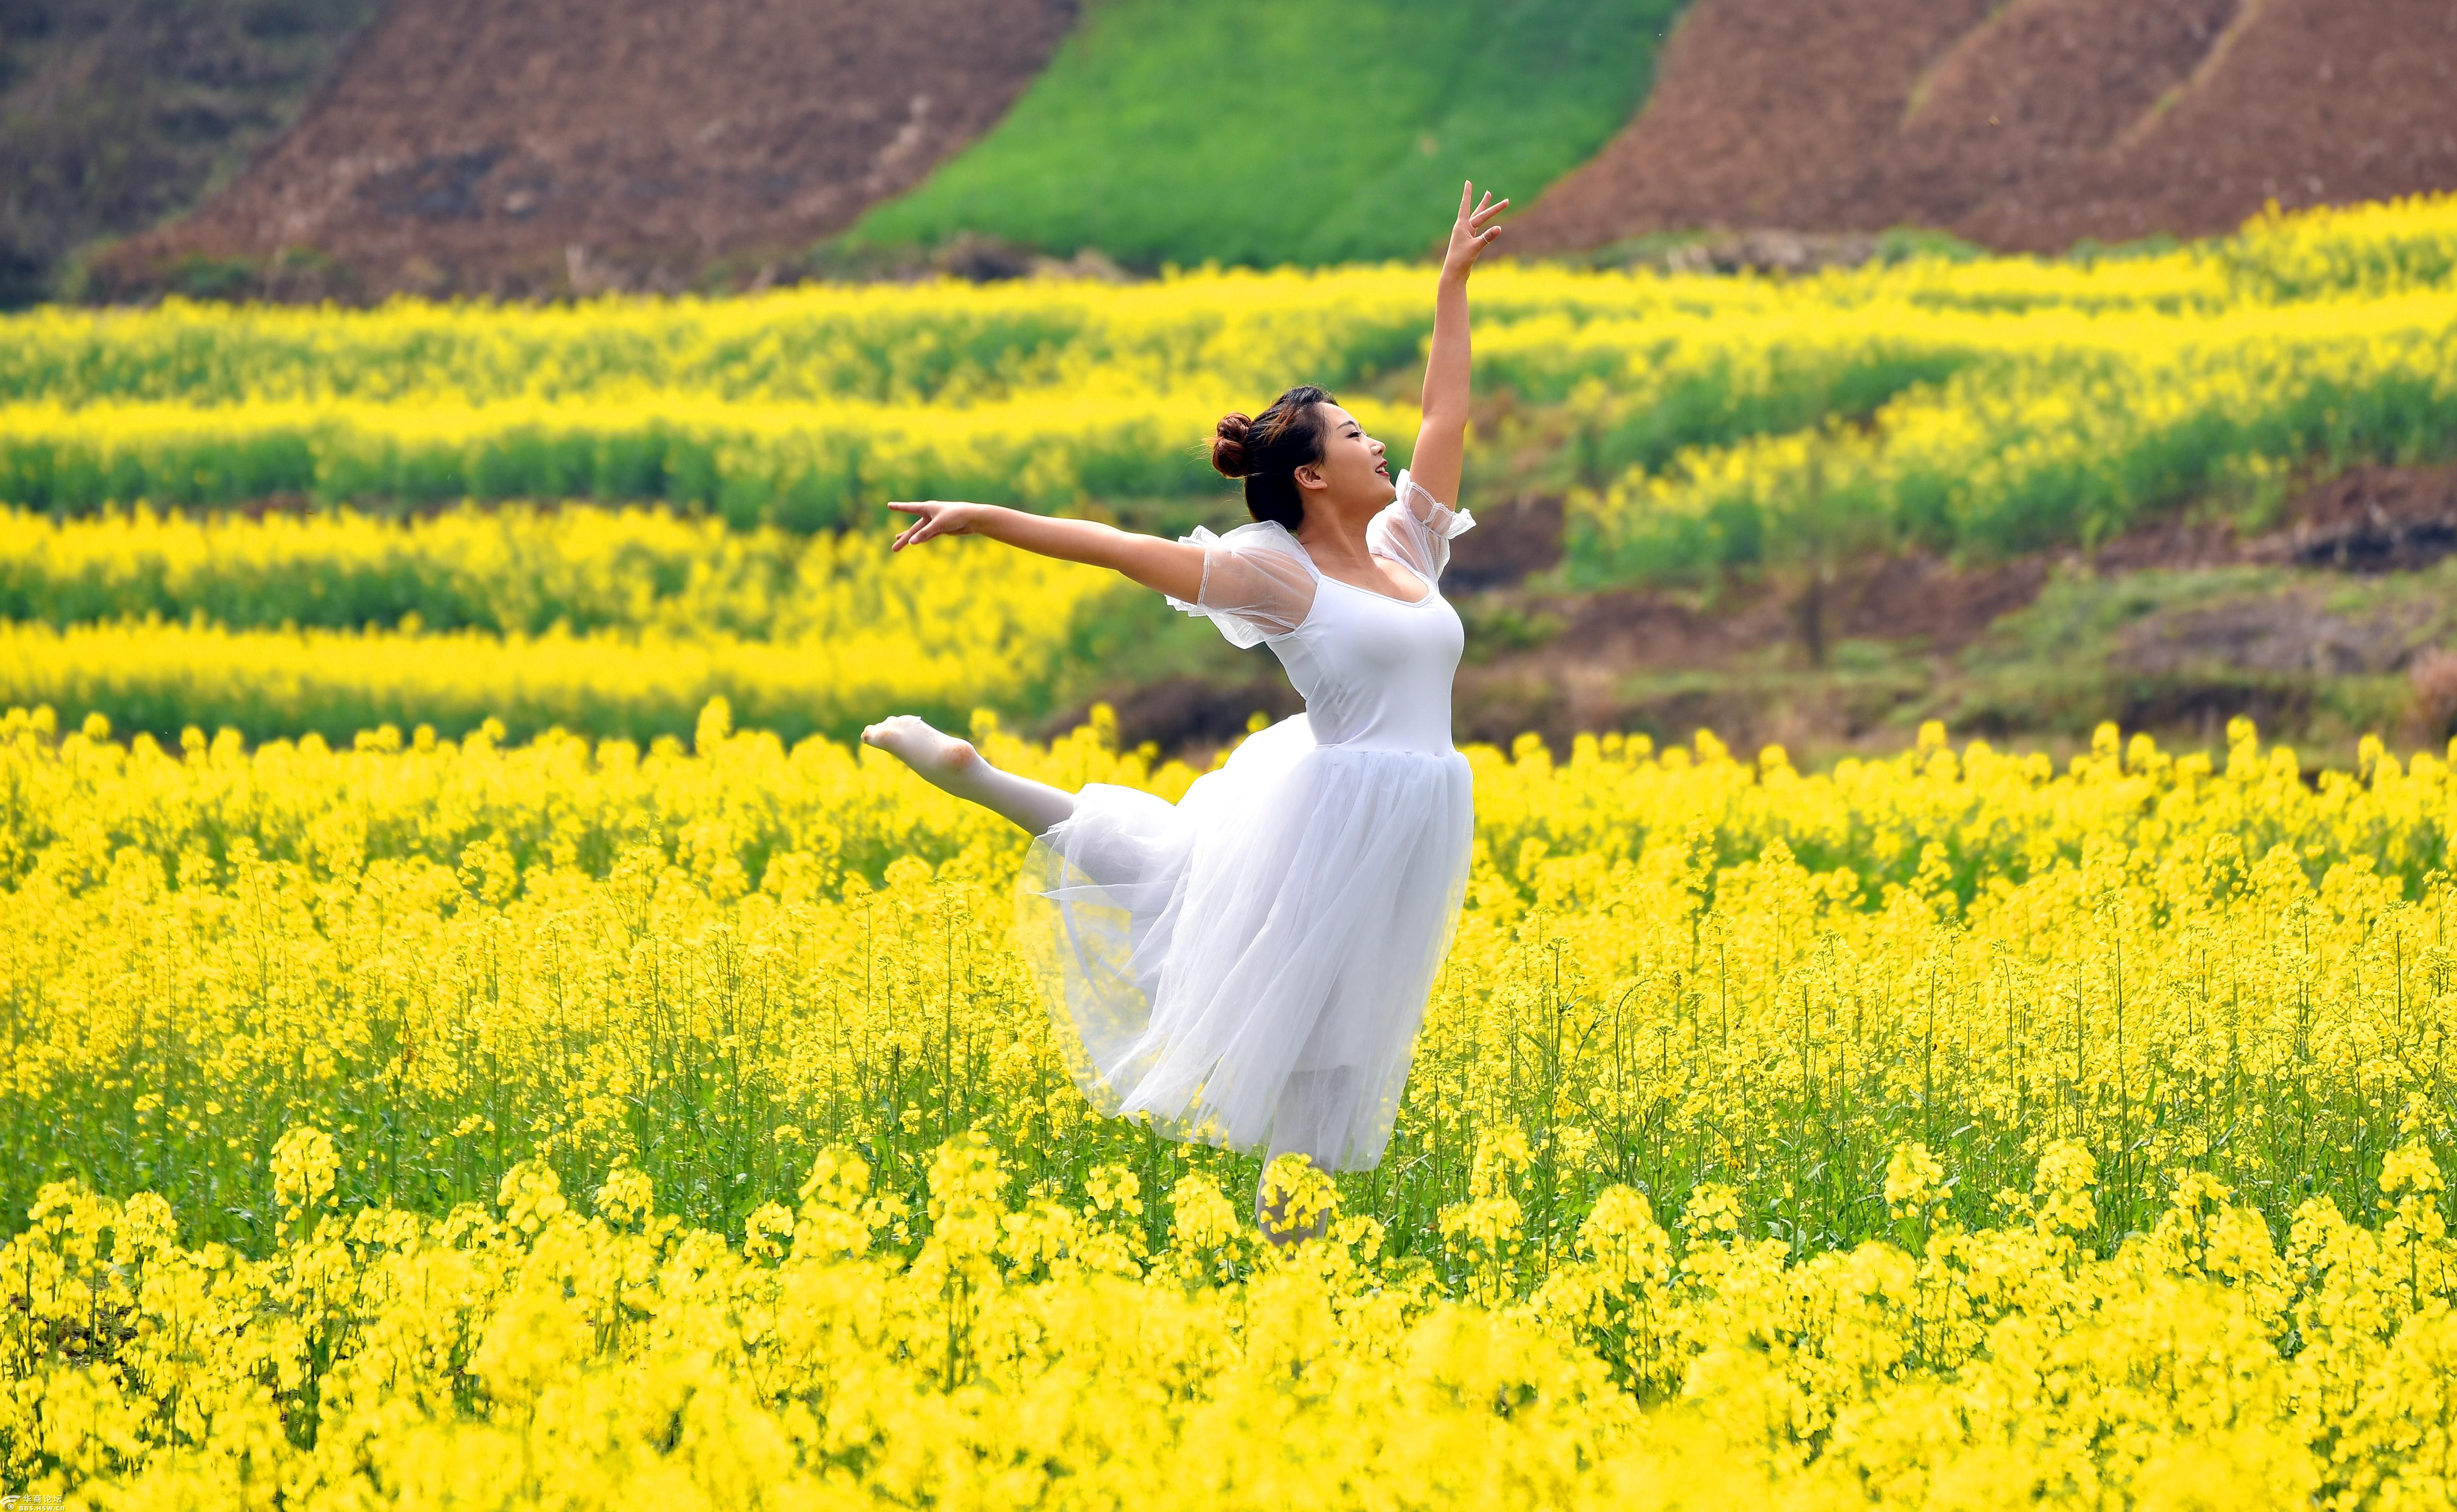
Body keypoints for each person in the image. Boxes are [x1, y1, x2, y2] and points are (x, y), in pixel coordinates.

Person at [862, 182, 1508, 1241]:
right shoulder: (1279, 581)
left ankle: (1292, 1275)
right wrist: (983, 516)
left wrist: (1451, 286)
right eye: (1353, 436)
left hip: (1416, 815)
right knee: (1227, 949)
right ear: (1310, 474)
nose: (1377, 444)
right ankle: (968, 775)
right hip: (1337, 810)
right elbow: (1119, 550)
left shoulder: (1406, 546)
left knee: (1337, 1049)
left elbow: (1446, 414)